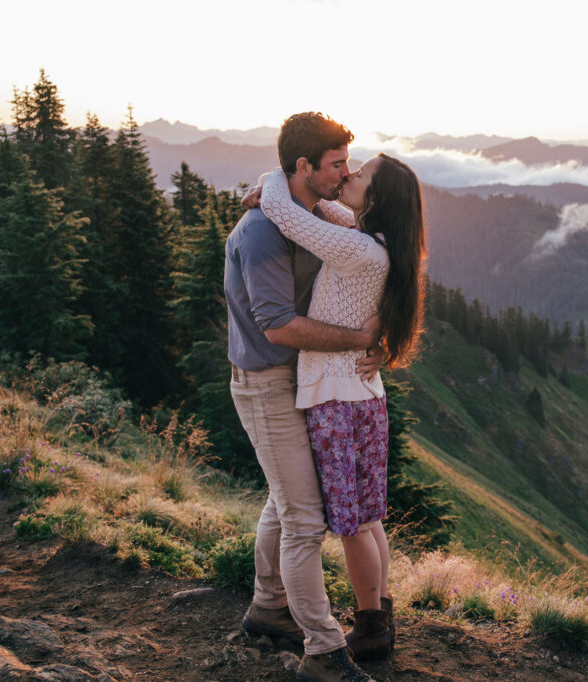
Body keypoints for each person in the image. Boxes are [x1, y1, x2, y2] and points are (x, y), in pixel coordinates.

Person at [244, 150, 427, 661]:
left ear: (377, 197)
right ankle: (380, 616)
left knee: (349, 524)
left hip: (336, 401)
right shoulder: (376, 241)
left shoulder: (359, 250)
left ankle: (369, 627)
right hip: (363, 398)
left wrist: (271, 179)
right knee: (367, 519)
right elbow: (327, 213)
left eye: (360, 174)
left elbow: (290, 217)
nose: (348, 175)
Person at [225, 111, 381, 682]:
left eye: (347, 164)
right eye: (336, 164)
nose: (344, 174)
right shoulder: (262, 233)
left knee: (284, 501)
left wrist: (381, 339)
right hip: (268, 382)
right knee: (305, 521)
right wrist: (360, 340)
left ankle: (269, 609)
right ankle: (322, 650)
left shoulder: (304, 214)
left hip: (301, 379)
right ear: (303, 167)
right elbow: (278, 326)